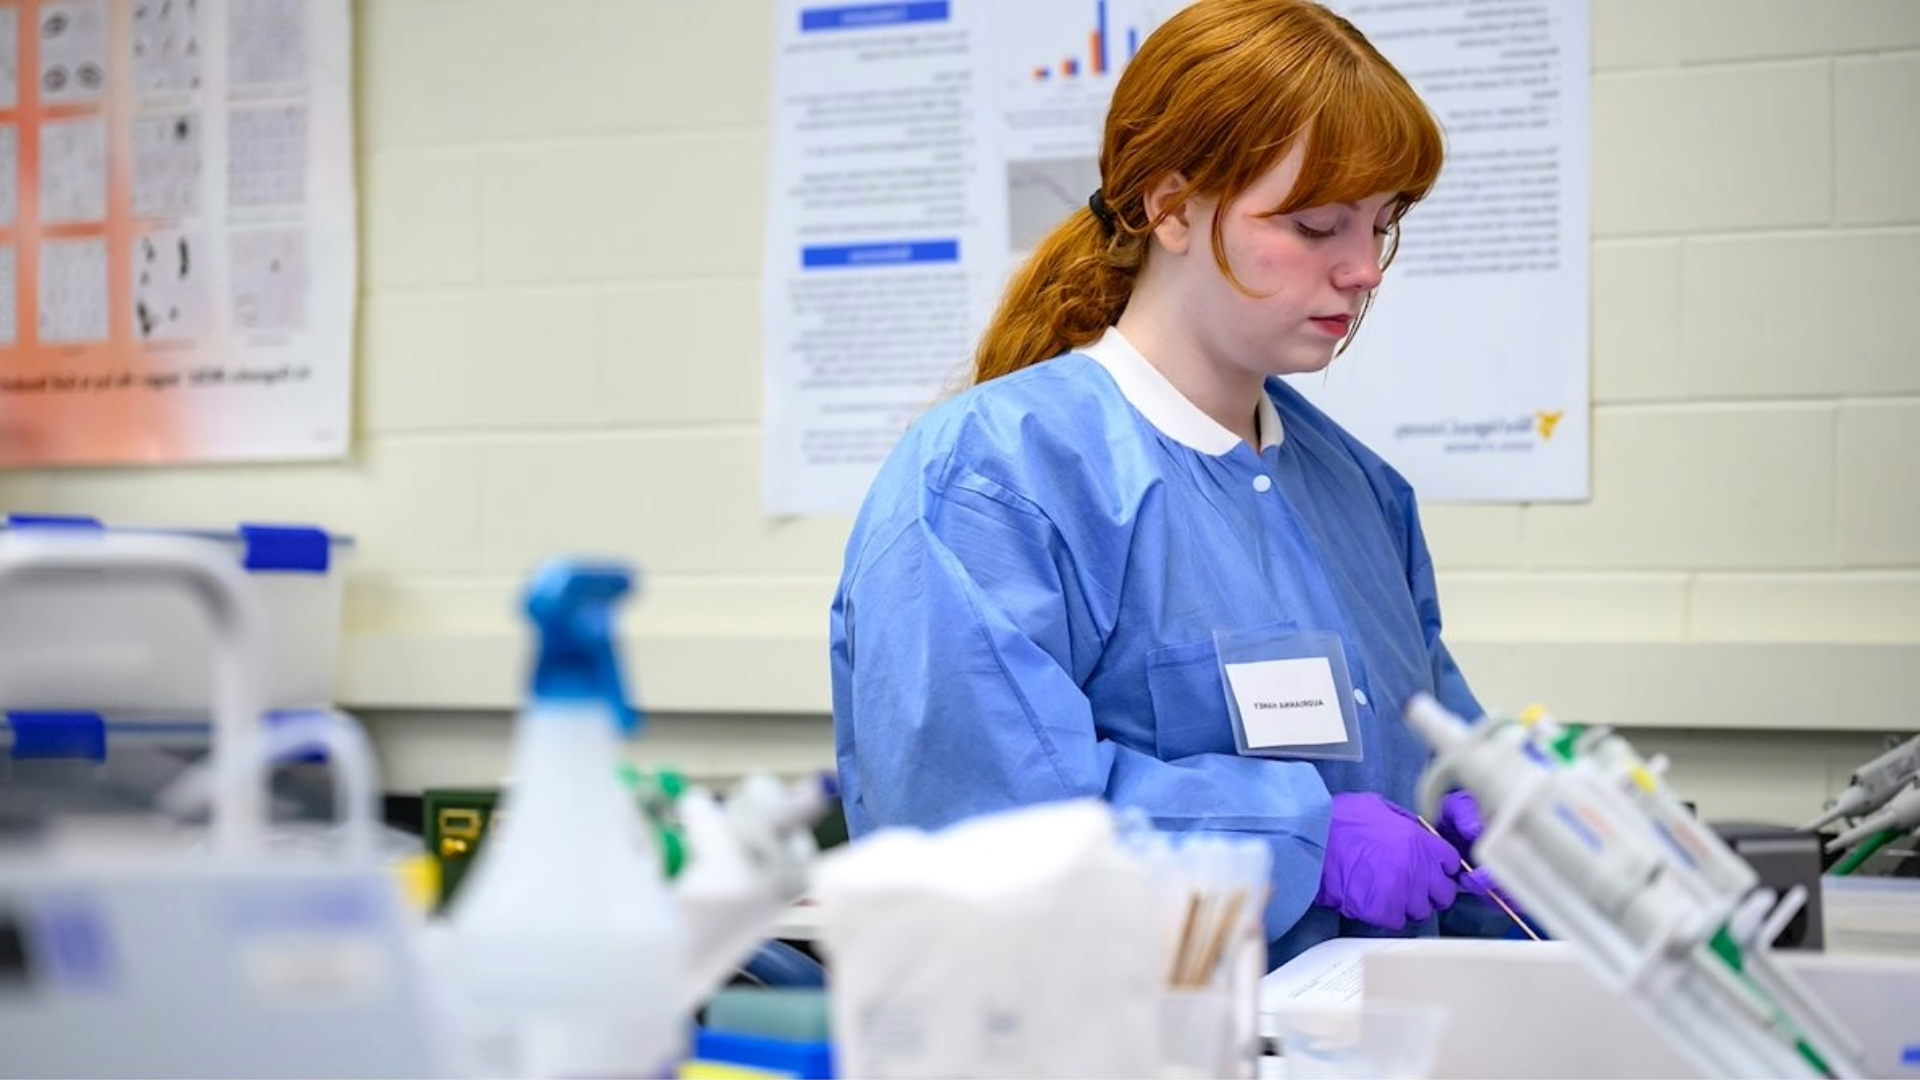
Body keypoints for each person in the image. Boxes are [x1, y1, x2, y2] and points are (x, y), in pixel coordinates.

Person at [829, 0, 1491, 969]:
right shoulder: (989, 483)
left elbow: (1439, 759)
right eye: (1316, 225)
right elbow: (985, 836)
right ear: (1172, 207)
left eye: (1382, 227)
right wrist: (1297, 845)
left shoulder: (1361, 493)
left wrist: (1499, 823)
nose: (1361, 272)